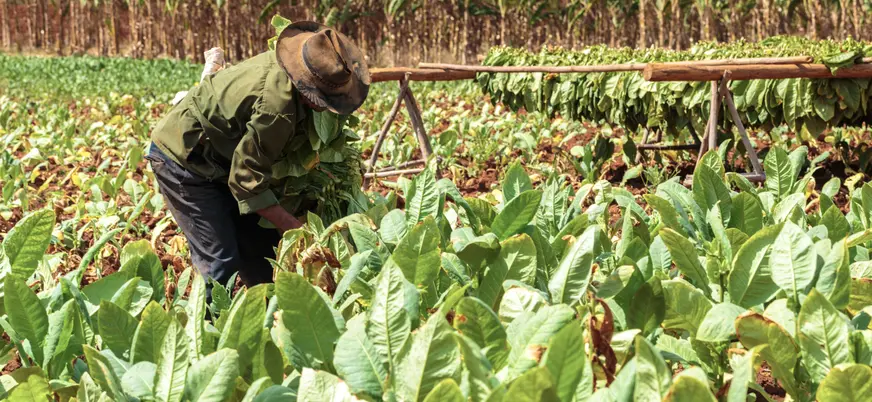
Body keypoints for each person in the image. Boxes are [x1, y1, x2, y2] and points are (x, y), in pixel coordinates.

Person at [146, 21, 370, 289]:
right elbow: (246, 182)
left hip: (223, 159)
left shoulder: (288, 66)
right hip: (185, 159)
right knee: (220, 262)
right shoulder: (277, 111)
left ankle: (267, 321)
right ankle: (205, 327)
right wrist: (297, 229)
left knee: (264, 255)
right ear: (309, 92)